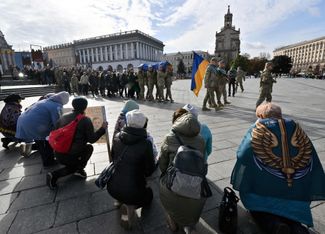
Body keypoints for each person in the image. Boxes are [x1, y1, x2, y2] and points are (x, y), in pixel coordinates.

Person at [231, 103, 325, 234]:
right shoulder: (296, 128)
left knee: (260, 212)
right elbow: (310, 156)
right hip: (295, 192)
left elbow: (242, 154)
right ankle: (297, 228)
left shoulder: (259, 128)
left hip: (263, 192)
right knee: (292, 212)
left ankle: (274, 225)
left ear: (261, 116)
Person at [106, 110, 155, 230]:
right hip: (132, 191)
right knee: (149, 195)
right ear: (143, 124)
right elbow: (149, 169)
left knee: (124, 175)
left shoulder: (117, 137)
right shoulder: (146, 143)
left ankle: (119, 201)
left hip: (111, 187)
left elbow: (113, 157)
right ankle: (130, 208)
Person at [159, 109, 206, 233]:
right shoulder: (201, 140)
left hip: (173, 181)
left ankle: (172, 220)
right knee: (191, 206)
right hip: (196, 183)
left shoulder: (169, 138)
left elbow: (162, 162)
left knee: (165, 194)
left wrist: (164, 174)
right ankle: (189, 227)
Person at [46, 97, 107, 189]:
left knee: (78, 153)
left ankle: (77, 168)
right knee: (89, 148)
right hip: (71, 155)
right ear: (85, 107)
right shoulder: (85, 120)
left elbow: (55, 132)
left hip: (58, 151)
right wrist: (102, 129)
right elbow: (92, 139)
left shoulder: (63, 116)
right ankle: (56, 174)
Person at [15, 91, 70, 167]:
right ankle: (48, 162)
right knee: (46, 141)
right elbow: (57, 122)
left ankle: (33, 148)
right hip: (34, 125)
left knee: (40, 141)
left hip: (23, 121)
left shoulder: (45, 101)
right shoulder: (56, 105)